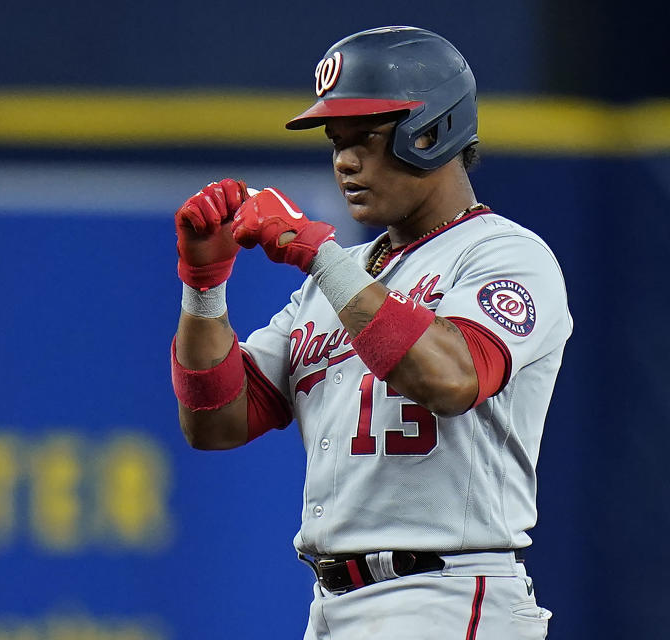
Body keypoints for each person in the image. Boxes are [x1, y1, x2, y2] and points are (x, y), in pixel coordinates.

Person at [170, 26, 572, 640]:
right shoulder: (342, 276)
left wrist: (315, 253)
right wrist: (204, 283)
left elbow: (449, 376)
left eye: (366, 138)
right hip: (335, 604)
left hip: (446, 592)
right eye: (336, 141)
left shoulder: (505, 255)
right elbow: (217, 420)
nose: (344, 160)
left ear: (431, 130)